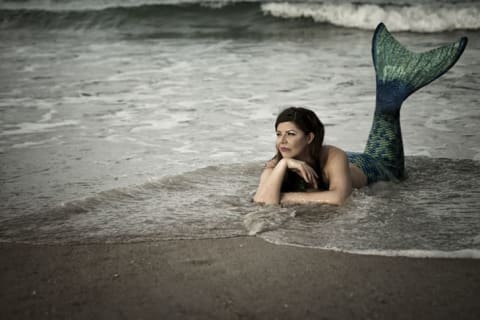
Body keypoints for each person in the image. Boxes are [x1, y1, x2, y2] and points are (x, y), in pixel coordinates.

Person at [253, 23, 468, 206]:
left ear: (309, 137)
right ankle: (390, 87)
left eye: (290, 133)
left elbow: (339, 198)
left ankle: (393, 85)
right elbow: (262, 201)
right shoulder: (277, 164)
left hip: (369, 167)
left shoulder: (333, 156)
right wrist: (284, 165)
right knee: (386, 108)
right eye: (278, 134)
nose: (282, 140)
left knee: (395, 171)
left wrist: (285, 196)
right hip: (348, 164)